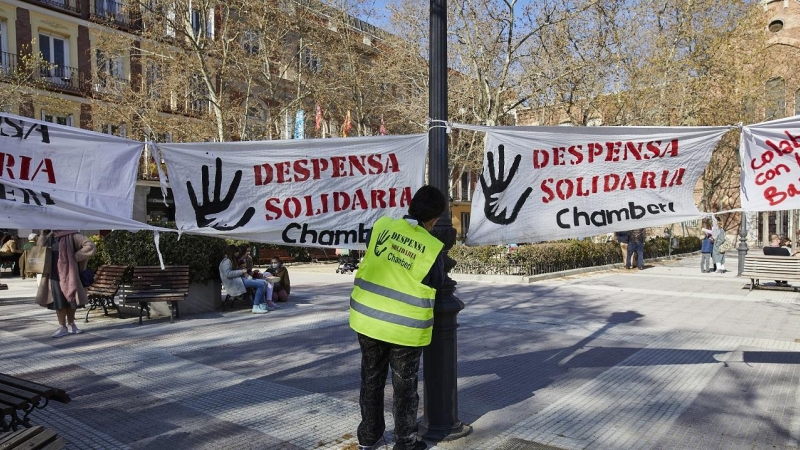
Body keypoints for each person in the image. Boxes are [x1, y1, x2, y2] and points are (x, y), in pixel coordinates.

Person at [350, 185, 446, 450]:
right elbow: (437, 282)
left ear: (411, 205)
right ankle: (404, 442)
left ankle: (369, 439)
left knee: (371, 379)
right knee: (404, 388)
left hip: (368, 318)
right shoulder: (431, 246)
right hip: (404, 327)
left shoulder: (382, 226)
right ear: (435, 219)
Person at [35, 230, 96, 338]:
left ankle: (71, 324)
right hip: (53, 274)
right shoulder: (50, 236)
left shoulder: (73, 235)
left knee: (71, 299)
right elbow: (39, 249)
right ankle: (62, 326)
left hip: (70, 273)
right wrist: (43, 235)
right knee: (58, 300)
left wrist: (75, 257)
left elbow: (90, 246)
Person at [219, 244, 275, 314]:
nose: (237, 253)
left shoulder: (229, 260)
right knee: (261, 284)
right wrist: (241, 271)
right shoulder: (226, 261)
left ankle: (263, 305)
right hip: (235, 283)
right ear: (232, 252)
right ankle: (256, 306)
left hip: (238, 280)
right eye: (236, 252)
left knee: (263, 282)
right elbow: (227, 274)